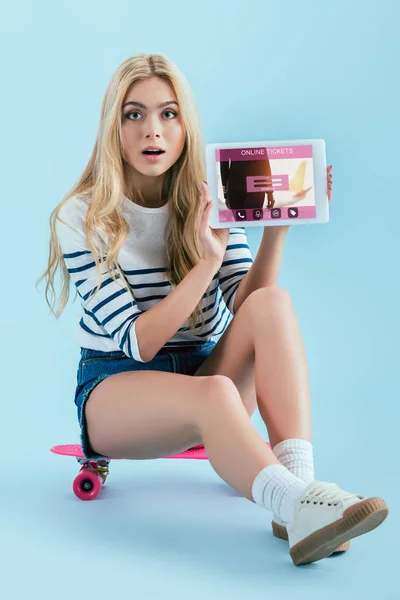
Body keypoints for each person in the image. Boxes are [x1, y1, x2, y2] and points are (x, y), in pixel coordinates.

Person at [37, 53, 388, 566]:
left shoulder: (210, 197)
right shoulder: (83, 217)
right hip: (116, 391)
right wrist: (206, 262)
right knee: (214, 390)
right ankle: (297, 504)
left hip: (206, 375)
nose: (151, 130)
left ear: (185, 127)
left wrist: (277, 225)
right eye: (133, 114)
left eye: (168, 113)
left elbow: (248, 309)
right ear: (113, 126)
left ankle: (302, 496)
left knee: (274, 302)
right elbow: (141, 341)